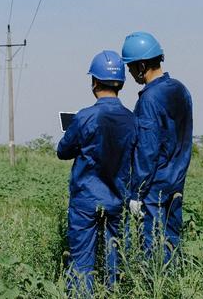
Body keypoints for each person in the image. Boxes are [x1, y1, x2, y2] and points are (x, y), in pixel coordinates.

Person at [57, 50, 137, 293]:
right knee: (117, 257)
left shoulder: (84, 117)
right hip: (117, 198)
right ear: (121, 83)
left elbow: (63, 151)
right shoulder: (133, 120)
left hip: (85, 198)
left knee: (81, 261)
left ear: (94, 82)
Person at [121, 31, 193, 263]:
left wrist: (136, 193)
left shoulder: (149, 99)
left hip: (154, 188)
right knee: (172, 244)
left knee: (153, 250)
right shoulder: (181, 90)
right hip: (176, 181)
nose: (130, 73)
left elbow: (147, 150)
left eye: (131, 67)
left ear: (142, 65)